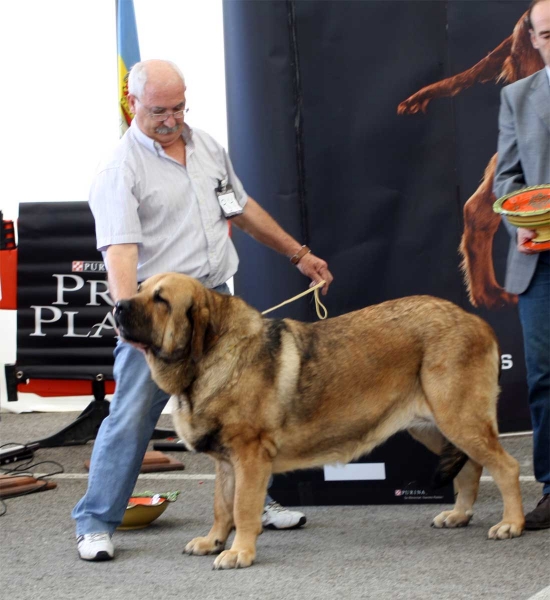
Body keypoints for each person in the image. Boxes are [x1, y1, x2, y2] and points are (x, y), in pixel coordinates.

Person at [73, 59, 334, 561]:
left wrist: (298, 254)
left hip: (220, 304)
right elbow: (120, 251)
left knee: (246, 413)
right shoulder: (119, 170)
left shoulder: (206, 145)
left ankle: (253, 507)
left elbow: (241, 208)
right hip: (162, 314)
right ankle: (95, 521)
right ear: (132, 104)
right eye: (158, 111)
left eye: (178, 107)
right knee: (131, 414)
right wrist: (132, 321)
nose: (171, 119)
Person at [493, 0, 550, 530]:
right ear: (534, 40)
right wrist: (523, 222)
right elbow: (506, 178)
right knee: (545, 377)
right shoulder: (517, 96)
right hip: (540, 260)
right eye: (548, 34)